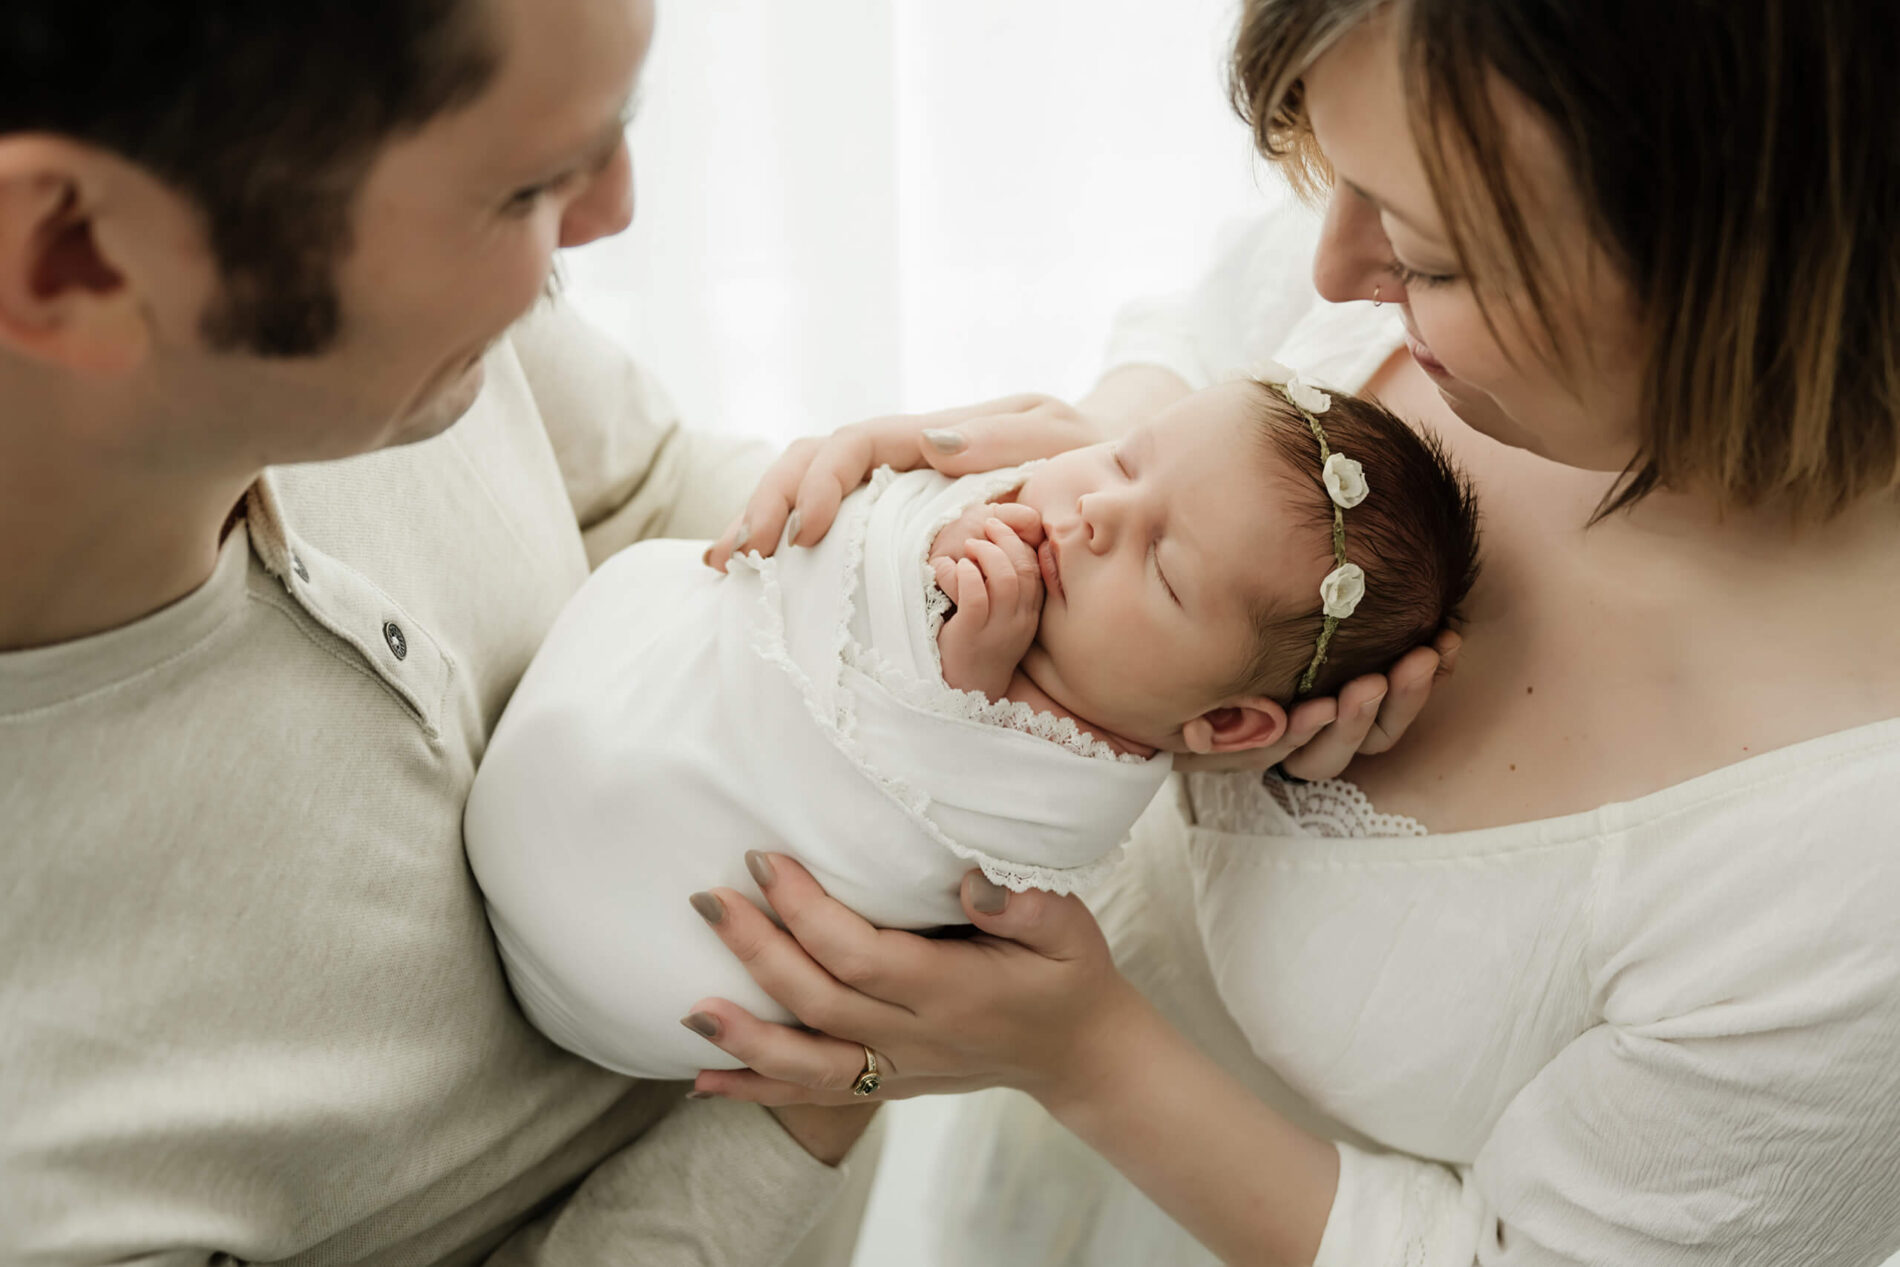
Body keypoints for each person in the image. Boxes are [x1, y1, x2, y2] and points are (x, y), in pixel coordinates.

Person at [675, 1, 1900, 1263]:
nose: (1336, 271)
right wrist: (1102, 453)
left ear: (1730, 264)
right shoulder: (1438, 206)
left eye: (1427, 256)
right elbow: (1213, 326)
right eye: (1335, 180)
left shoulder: (1851, 865)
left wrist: (1083, 1057)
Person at [0, 2, 893, 1261]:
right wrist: (828, 1086)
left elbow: (650, 493)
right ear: (74, 256)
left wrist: (932, 531)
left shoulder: (408, 343)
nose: (612, 213)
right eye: (526, 187)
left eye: (616, 128)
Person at [462, 375, 1478, 1081]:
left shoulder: (1084, 789)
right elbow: (871, 518)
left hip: (631, 942)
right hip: (606, 705)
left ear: (1219, 721)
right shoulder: (1044, 513)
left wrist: (963, 686)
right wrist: (919, 511)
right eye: (1127, 459)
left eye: (1161, 570)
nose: (1096, 511)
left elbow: (937, 845)